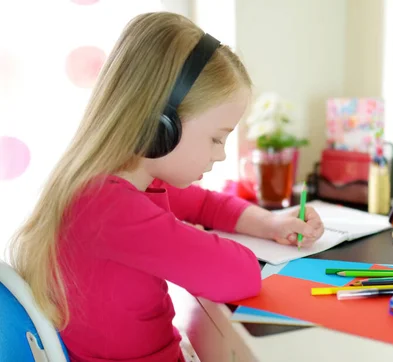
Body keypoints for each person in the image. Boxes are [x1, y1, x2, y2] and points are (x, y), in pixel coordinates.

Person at [7, 12, 324, 362]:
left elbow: (206, 205)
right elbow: (241, 274)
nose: (220, 154)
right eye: (217, 138)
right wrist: (185, 237)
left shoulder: (107, 185)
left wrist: (270, 223)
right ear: (161, 125)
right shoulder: (112, 209)